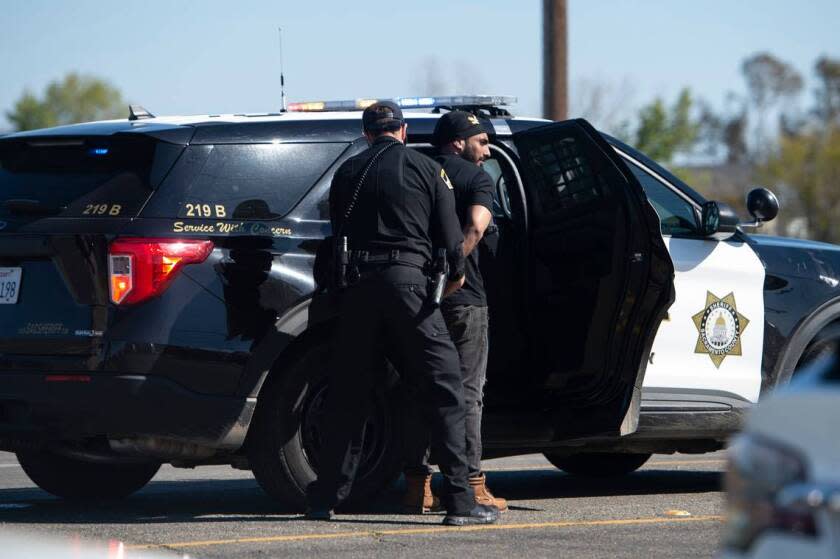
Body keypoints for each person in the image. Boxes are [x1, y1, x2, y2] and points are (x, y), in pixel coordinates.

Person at [305, 101, 500, 527]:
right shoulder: (428, 169)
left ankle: (326, 499)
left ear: (368, 133)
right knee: (447, 384)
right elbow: (452, 246)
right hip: (407, 288)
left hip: (356, 292)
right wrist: (449, 284)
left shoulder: (346, 173)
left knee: (349, 395)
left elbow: (337, 232)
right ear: (404, 131)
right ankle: (462, 502)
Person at [402, 111, 507, 513]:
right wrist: (448, 270)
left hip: (417, 297)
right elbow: (476, 228)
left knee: (418, 389)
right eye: (481, 141)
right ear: (458, 142)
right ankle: (472, 485)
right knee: (466, 394)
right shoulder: (475, 178)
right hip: (463, 299)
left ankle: (417, 487)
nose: (487, 150)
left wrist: (425, 277)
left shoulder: (419, 172)